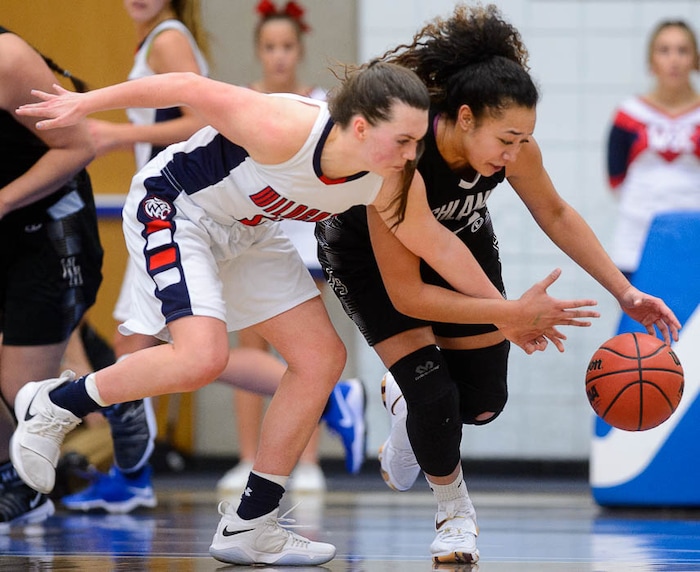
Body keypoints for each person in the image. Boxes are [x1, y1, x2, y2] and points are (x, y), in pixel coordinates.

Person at [12, 56, 602, 565]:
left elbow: (437, 243)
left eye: (420, 140)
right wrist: (87, 102)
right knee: (202, 357)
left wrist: (503, 313)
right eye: (402, 141)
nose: (412, 154)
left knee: (321, 360)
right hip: (178, 210)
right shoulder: (282, 126)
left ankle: (251, 524)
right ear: (359, 125)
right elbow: (188, 87)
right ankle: (54, 404)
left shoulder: (390, 176)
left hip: (250, 233)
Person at [315, 3, 682, 565]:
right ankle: (454, 512)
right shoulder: (403, 159)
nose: (515, 154)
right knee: (434, 394)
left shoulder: (514, 149)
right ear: (465, 118)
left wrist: (623, 291)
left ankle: (403, 403)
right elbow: (408, 294)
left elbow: (555, 213)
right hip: (373, 259)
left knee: (483, 404)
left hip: (459, 241)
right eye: (506, 139)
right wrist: (506, 312)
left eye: (524, 140)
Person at [58, 0, 211, 515]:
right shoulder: (160, 37)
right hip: (175, 205)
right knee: (159, 347)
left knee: (142, 347)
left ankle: (132, 477)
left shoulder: (166, 38)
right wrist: (125, 144)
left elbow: (198, 121)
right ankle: (132, 475)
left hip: (176, 210)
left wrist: (117, 134)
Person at [217, 0, 365, 497]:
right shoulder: (243, 102)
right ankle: (247, 459)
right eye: (269, 47)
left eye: (287, 47)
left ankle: (306, 461)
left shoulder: (320, 105)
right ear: (258, 51)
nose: (279, 56)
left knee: (306, 351)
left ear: (299, 49)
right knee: (249, 349)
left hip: (303, 240)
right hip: (250, 235)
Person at [0, 27, 103, 531]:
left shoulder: (6, 59)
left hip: (52, 234)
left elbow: (78, 145)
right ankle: (11, 482)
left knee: (21, 390)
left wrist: (3, 198)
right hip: (10, 230)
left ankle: (116, 409)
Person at [607, 19, 700, 280]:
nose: (674, 60)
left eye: (682, 51)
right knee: (639, 317)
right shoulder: (628, 114)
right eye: (664, 50)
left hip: (695, 238)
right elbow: (616, 179)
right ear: (651, 60)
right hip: (637, 239)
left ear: (695, 59)